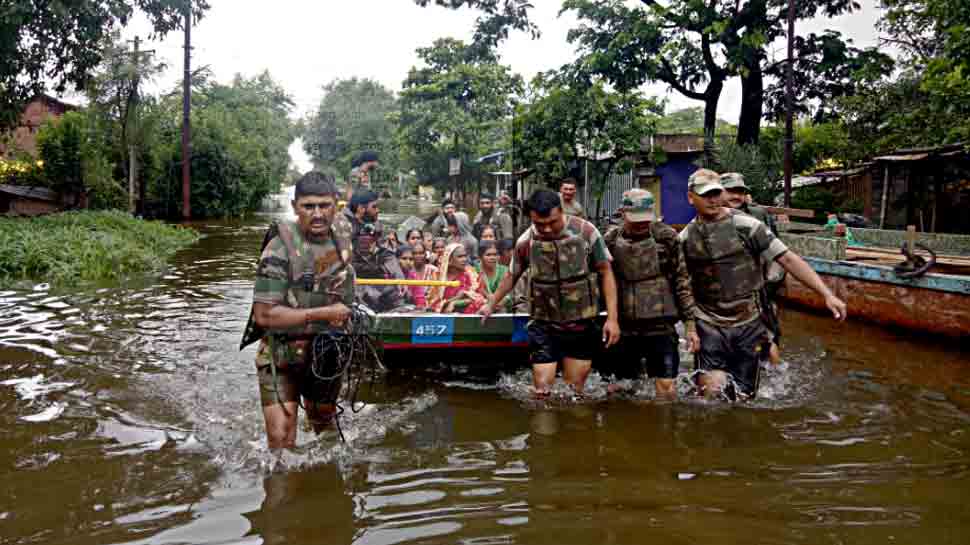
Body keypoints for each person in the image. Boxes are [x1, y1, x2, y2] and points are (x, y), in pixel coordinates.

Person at [679, 169, 847, 400]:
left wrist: (826, 294)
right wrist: (688, 326)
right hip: (709, 324)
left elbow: (787, 258)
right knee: (712, 394)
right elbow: (681, 284)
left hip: (748, 322)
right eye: (706, 194)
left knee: (745, 396)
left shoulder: (747, 226)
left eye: (717, 193)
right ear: (691, 197)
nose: (713, 199)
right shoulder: (686, 238)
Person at [247, 172, 354, 450]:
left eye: (324, 205)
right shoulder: (279, 249)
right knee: (282, 442)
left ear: (336, 205)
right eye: (308, 206)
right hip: (281, 354)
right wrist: (323, 313)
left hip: (326, 351)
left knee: (325, 427)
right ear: (295, 207)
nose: (317, 214)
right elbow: (264, 315)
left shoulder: (342, 233)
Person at [481, 189, 621, 397]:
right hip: (543, 323)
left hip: (580, 322)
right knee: (542, 392)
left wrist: (612, 319)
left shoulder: (587, 232)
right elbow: (512, 275)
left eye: (552, 222)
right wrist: (491, 304)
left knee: (574, 392)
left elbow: (606, 272)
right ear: (531, 217)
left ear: (561, 211)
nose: (546, 229)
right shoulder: (525, 242)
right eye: (539, 223)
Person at [602, 189, 699, 399]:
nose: (640, 224)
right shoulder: (609, 240)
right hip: (624, 328)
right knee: (620, 389)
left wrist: (690, 324)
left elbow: (682, 280)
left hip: (661, 327)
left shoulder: (667, 237)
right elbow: (601, 281)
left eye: (645, 219)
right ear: (622, 213)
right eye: (635, 219)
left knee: (666, 388)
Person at [721, 172, 785, 364]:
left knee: (769, 340)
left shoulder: (758, 215)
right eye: (731, 191)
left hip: (757, 290)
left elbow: (778, 255)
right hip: (725, 295)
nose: (736, 196)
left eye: (740, 191)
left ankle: (776, 380)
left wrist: (770, 284)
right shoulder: (709, 216)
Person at [345, 190, 405, 312]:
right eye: (374, 207)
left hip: (374, 281)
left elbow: (386, 253)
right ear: (361, 209)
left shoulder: (374, 226)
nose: (378, 210)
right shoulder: (342, 228)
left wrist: (399, 278)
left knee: (398, 296)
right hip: (349, 284)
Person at [426, 243, 488, 314]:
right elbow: (431, 303)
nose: (464, 259)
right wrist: (456, 298)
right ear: (449, 260)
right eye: (460, 257)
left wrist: (455, 302)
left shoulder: (470, 273)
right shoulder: (438, 275)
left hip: (466, 313)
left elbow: (478, 298)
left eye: (465, 256)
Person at [476, 240, 510, 310]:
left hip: (502, 308)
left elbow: (510, 293)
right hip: (479, 308)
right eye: (488, 255)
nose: (492, 258)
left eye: (495, 254)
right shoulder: (474, 271)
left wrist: (503, 301)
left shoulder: (505, 271)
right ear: (480, 257)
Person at [410, 240, 438, 309]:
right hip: (409, 308)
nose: (418, 256)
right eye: (415, 253)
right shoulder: (407, 271)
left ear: (425, 254)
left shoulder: (433, 270)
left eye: (421, 253)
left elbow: (437, 293)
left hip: (431, 308)